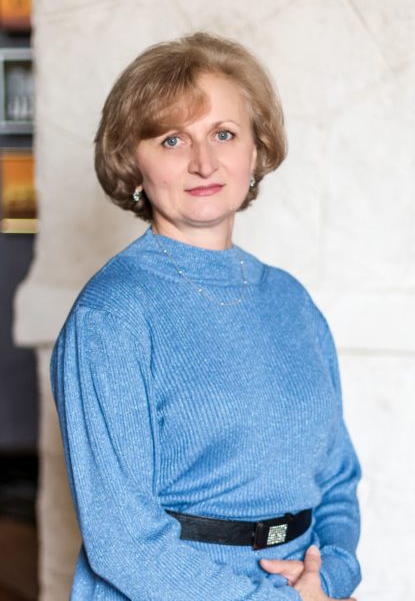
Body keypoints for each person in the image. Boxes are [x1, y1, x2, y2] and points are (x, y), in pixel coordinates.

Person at [50, 32, 361, 601]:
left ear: (256, 151)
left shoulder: (292, 300)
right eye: (172, 139)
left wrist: (332, 575)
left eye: (224, 134)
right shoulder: (110, 315)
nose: (203, 162)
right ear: (132, 163)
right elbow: (122, 540)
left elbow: (337, 479)